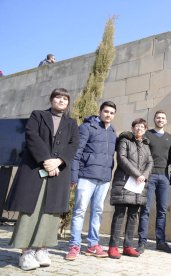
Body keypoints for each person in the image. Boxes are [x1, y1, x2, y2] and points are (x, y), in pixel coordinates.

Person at [5, 88, 79, 271]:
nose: (61, 101)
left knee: (51, 211)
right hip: (35, 169)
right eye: (58, 97)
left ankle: (42, 249)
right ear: (51, 99)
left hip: (58, 172)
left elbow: (74, 144)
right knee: (31, 208)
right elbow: (32, 137)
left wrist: (59, 161)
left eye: (65, 99)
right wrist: (46, 160)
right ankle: (26, 252)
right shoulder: (38, 115)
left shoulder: (71, 123)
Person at [65, 101, 117, 261]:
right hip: (86, 176)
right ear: (100, 112)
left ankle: (93, 244)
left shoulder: (113, 132)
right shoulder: (88, 127)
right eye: (106, 111)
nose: (108, 115)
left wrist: (109, 176)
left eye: (112, 113)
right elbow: (76, 152)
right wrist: (73, 176)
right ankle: (74, 245)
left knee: (98, 212)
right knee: (79, 211)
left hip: (104, 179)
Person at [108, 118, 153, 259]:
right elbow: (122, 159)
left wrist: (144, 176)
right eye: (137, 126)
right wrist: (137, 174)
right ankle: (113, 247)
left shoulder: (146, 145)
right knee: (119, 214)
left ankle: (128, 246)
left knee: (134, 215)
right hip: (124, 182)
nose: (139, 128)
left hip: (138, 185)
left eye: (142, 127)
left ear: (145, 129)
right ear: (133, 128)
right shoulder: (125, 140)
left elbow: (150, 162)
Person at [137, 110, 171, 254]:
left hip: (164, 177)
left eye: (163, 118)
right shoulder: (147, 135)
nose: (160, 120)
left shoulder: (170, 138)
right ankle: (142, 241)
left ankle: (161, 242)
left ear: (166, 121)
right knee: (145, 209)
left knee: (162, 210)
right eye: (158, 117)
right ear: (154, 120)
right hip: (149, 176)